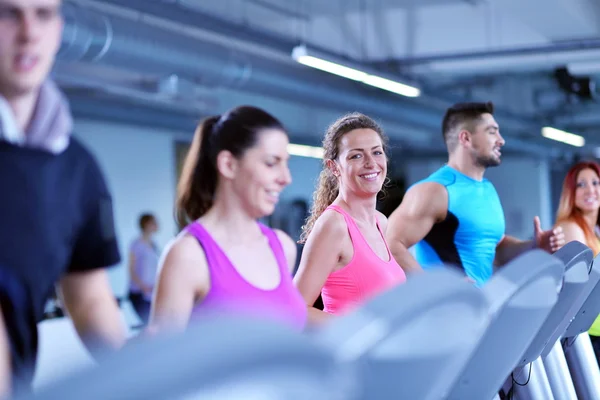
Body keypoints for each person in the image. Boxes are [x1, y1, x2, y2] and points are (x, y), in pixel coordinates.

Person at [0, 0, 126, 395]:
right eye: (8, 13)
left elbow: (89, 298)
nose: (28, 32)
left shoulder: (78, 168)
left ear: (57, 30)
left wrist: (142, 378)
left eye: (43, 14)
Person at [149, 106, 307, 333]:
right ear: (229, 165)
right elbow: (163, 362)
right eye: (272, 163)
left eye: (286, 163)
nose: (286, 178)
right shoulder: (188, 255)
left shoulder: (282, 247)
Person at [386, 102, 564, 286]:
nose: (501, 140)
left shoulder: (487, 189)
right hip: (447, 311)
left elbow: (496, 250)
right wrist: (434, 287)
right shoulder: (435, 190)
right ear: (466, 139)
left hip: (480, 308)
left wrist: (533, 246)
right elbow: (389, 243)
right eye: (492, 131)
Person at [293, 113, 407, 325]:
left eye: (377, 152)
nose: (371, 163)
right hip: (349, 355)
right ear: (334, 167)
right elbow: (294, 309)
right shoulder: (334, 225)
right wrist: (358, 330)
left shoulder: (380, 222)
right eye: (356, 156)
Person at [554, 161, 600, 359]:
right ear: (571, 193)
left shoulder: (595, 231)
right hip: (586, 335)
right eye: (581, 185)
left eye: (595, 183)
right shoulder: (571, 228)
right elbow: (582, 286)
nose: (590, 189)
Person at [128, 213, 160, 325]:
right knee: (149, 324)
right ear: (146, 224)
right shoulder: (136, 245)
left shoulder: (154, 245)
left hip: (151, 293)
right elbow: (131, 270)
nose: (157, 225)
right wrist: (143, 286)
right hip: (140, 293)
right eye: (154, 222)